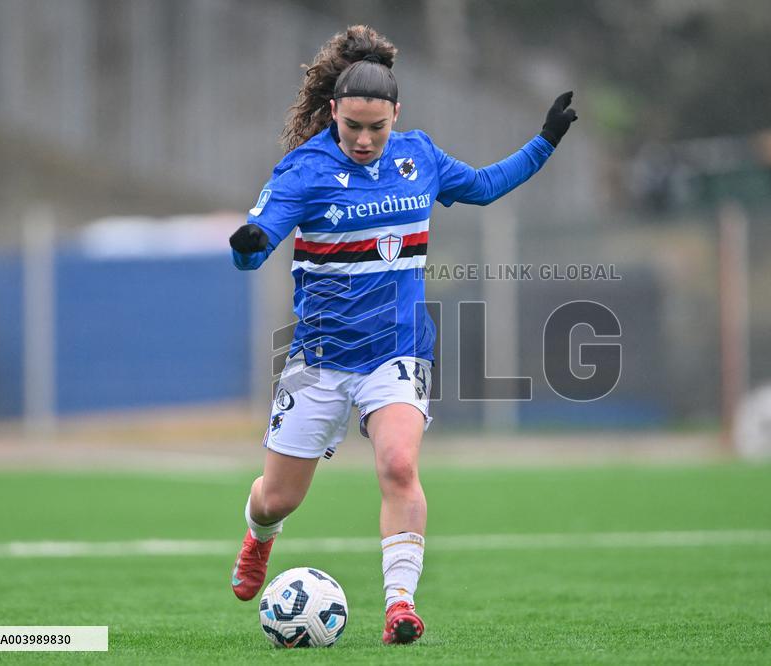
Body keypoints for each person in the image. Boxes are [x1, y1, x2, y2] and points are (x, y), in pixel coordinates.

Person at [227, 25, 576, 645]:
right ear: (332, 112)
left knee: (397, 463)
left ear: (396, 116)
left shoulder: (421, 159)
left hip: (398, 349)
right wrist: (250, 247)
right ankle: (258, 540)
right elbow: (261, 239)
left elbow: (487, 185)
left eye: (376, 127)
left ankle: (400, 606)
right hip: (319, 359)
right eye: (352, 126)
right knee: (277, 499)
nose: (364, 140)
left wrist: (545, 140)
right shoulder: (305, 168)